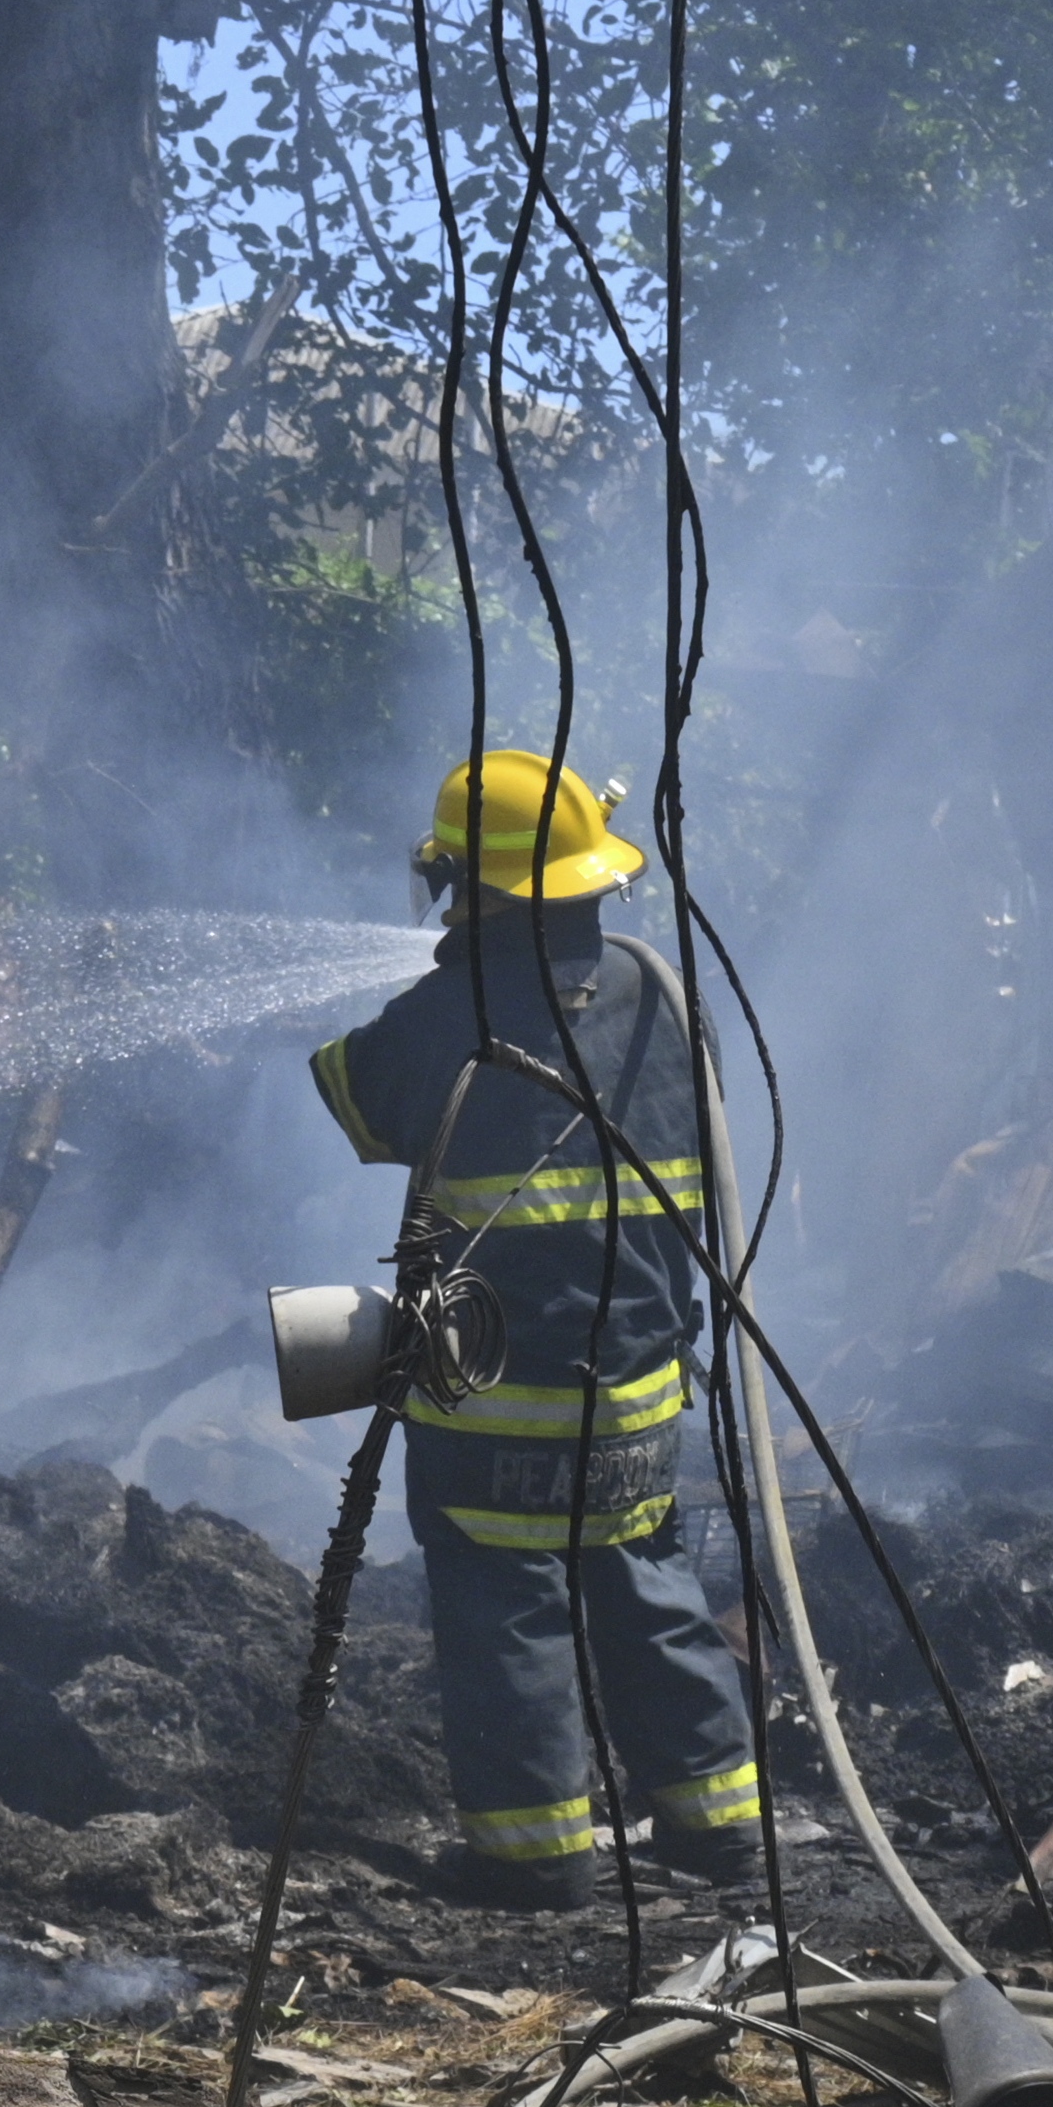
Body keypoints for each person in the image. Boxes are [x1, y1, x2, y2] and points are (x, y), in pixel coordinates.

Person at [307, 752, 763, 1902]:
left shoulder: (443, 1018)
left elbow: (352, 1096)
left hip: (489, 1398)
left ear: (468, 881)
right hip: (639, 1391)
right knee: (646, 1586)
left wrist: (438, 988)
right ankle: (718, 1829)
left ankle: (534, 1857)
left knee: (507, 1613)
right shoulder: (662, 993)